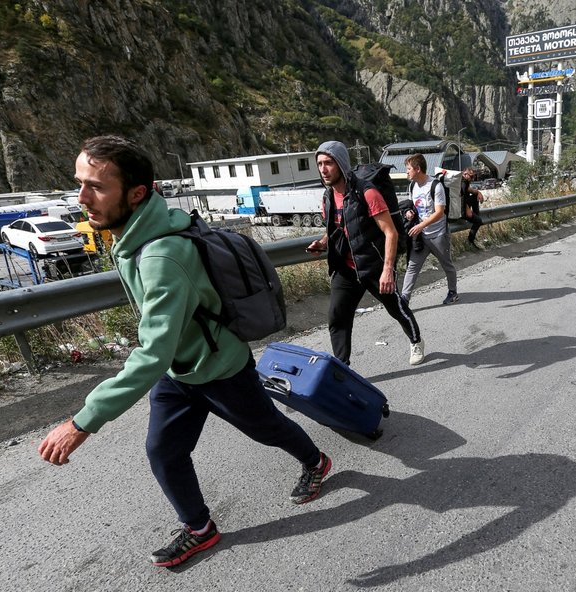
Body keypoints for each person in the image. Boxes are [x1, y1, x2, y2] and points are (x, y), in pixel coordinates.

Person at [38, 135, 332, 568]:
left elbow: (152, 352)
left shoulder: (161, 256)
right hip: (178, 370)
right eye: (80, 183)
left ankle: (316, 461)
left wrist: (83, 422)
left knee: (266, 428)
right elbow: (161, 345)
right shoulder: (136, 234)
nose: (82, 197)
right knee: (164, 450)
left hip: (219, 366)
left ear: (137, 194)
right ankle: (199, 528)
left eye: (96, 187)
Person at [306, 141, 424, 366]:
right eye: (320, 163)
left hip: (374, 266)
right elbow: (337, 229)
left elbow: (390, 233)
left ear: (340, 163)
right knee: (337, 318)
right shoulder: (328, 197)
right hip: (346, 268)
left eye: (328, 163)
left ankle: (416, 340)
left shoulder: (367, 193)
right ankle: (342, 368)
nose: (323, 169)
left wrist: (388, 270)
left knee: (396, 309)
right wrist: (322, 243)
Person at [400, 153, 459, 305]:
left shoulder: (435, 186)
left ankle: (453, 292)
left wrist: (421, 225)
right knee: (412, 266)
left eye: (408, 169)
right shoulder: (412, 185)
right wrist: (409, 212)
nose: (406, 172)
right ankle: (404, 299)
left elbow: (439, 212)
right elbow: (414, 205)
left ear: (417, 169)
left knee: (447, 265)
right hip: (421, 236)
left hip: (438, 234)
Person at [461, 167, 484, 249]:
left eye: (473, 177)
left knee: (475, 196)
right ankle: (470, 241)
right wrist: (467, 210)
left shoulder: (463, 181)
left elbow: (470, 190)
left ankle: (476, 216)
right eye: (471, 176)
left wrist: (478, 192)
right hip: (461, 209)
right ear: (465, 174)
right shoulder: (463, 183)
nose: (472, 179)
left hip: (462, 206)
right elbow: (460, 198)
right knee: (478, 221)